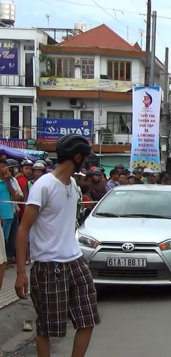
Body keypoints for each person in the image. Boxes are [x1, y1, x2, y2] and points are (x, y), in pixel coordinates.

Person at [15, 134, 100, 357]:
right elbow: (23, 229)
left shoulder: (73, 184)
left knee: (88, 318)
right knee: (48, 328)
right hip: (47, 266)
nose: (88, 163)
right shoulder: (43, 185)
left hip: (75, 261)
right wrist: (21, 273)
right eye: (86, 158)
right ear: (77, 157)